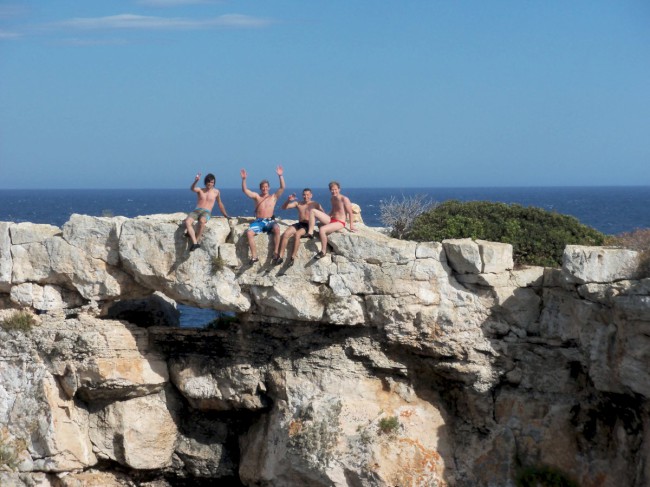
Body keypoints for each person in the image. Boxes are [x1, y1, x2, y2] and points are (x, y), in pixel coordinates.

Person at [241, 165, 285, 264]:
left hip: (269, 221)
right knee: (249, 233)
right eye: (262, 187)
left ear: (269, 188)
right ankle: (254, 256)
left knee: (277, 229)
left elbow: (282, 187)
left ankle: (275, 252)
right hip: (259, 221)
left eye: (266, 187)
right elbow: (245, 191)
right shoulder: (257, 197)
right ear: (260, 188)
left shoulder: (273, 197)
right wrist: (244, 179)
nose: (264, 189)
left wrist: (280, 176)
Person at [306, 181, 356, 258]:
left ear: (339, 189)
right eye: (332, 190)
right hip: (332, 219)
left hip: (340, 222)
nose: (334, 191)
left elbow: (350, 213)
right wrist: (325, 216)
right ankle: (310, 232)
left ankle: (323, 251)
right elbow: (333, 210)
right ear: (330, 190)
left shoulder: (344, 199)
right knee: (313, 211)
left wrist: (351, 226)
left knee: (322, 229)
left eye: (335, 189)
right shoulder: (332, 198)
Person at [276, 188, 324, 266]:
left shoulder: (315, 204)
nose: (306, 196)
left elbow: (323, 214)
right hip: (299, 223)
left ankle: (292, 257)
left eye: (307, 195)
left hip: (308, 225)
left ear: (311, 195)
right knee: (285, 234)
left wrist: (321, 224)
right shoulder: (298, 203)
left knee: (297, 235)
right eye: (304, 195)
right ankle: (280, 256)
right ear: (302, 195)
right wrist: (288, 200)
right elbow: (284, 207)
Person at [184, 172, 229, 251]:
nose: (210, 184)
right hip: (197, 210)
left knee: (202, 221)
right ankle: (195, 243)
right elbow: (192, 189)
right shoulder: (200, 190)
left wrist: (225, 214)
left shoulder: (216, 192)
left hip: (206, 212)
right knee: (187, 222)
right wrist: (196, 181)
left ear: (214, 183)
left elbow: (220, 203)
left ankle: (196, 241)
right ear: (205, 182)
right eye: (208, 182)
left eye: (212, 182)